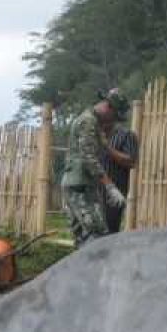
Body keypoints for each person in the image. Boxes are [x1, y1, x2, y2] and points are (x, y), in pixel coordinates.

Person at [61, 91, 130, 248]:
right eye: (114, 116)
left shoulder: (93, 122)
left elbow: (101, 146)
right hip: (80, 186)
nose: (113, 121)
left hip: (79, 183)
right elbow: (89, 158)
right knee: (97, 236)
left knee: (83, 239)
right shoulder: (88, 122)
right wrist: (110, 186)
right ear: (109, 108)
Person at [98, 89, 139, 233]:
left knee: (109, 233)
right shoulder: (94, 132)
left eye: (109, 107)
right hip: (92, 194)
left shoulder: (126, 135)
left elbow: (131, 161)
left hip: (113, 196)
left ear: (114, 114)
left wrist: (107, 148)